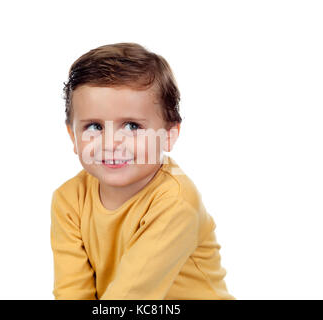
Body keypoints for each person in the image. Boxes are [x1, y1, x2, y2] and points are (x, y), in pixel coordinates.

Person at [50, 42, 235, 300]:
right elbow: (72, 291)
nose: (110, 142)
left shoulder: (176, 201)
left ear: (169, 136)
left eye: (132, 126)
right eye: (94, 126)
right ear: (73, 136)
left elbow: (130, 296)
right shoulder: (69, 199)